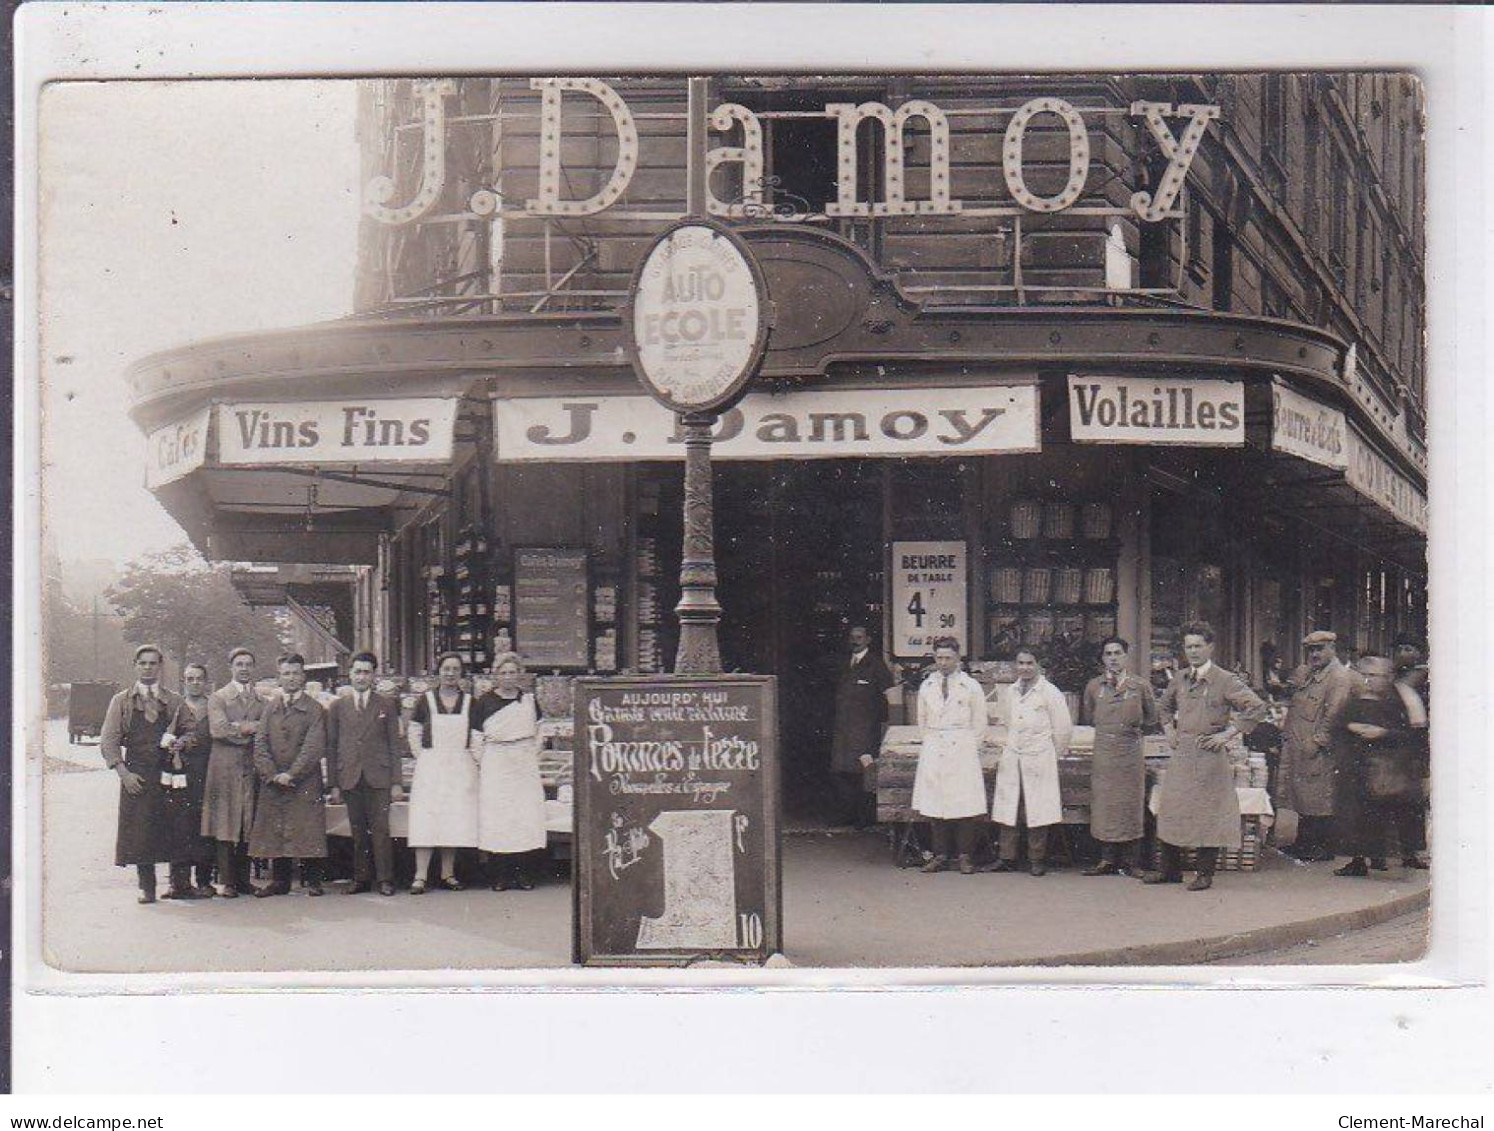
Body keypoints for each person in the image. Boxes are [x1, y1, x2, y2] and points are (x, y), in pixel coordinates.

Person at [1145, 622, 1267, 891]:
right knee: (1172, 808)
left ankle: (1205, 874)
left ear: (1210, 647)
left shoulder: (1224, 679)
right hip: (1183, 754)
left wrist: (1227, 735)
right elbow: (1163, 706)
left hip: (1210, 755)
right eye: (1189, 646)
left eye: (1198, 645)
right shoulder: (1179, 678)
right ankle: (1170, 870)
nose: (1193, 651)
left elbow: (1256, 708)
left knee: (1208, 812)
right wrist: (1168, 730)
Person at [97, 645, 181, 904]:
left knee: (174, 827)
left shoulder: (174, 700)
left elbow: (190, 732)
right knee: (141, 832)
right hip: (138, 777)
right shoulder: (121, 701)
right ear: (135, 665)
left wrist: (182, 742)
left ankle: (179, 885)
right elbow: (108, 742)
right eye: (143, 663)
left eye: (153, 663)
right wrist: (124, 774)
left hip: (168, 774)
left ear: (160, 667)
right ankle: (147, 888)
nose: (148, 668)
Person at [1332, 655, 1428, 877]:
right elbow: (1338, 727)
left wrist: (1383, 733)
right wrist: (1350, 729)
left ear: (1388, 677)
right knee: (1358, 815)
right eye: (1364, 675)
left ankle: (1396, 855)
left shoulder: (1401, 699)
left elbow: (1415, 734)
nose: (1368, 681)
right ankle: (1360, 860)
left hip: (1392, 767)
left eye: (1373, 676)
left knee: (1391, 812)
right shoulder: (1354, 700)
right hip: (1358, 767)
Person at [247, 653, 329, 897]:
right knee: (276, 828)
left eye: (295, 673)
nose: (291, 678)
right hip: (274, 781)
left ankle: (313, 881)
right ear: (279, 677)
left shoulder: (315, 709)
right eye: (286, 673)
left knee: (307, 827)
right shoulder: (270, 707)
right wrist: (271, 774)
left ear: (303, 677)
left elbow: (313, 747)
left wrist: (292, 774)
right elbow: (260, 742)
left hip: (303, 780)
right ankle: (279, 881)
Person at [326, 651, 405, 896]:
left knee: (381, 829)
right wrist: (334, 784)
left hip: (378, 776)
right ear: (349, 674)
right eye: (357, 671)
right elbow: (332, 746)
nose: (361, 677)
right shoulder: (338, 706)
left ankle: (385, 879)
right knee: (357, 831)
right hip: (350, 776)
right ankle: (360, 878)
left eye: (367, 672)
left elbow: (395, 745)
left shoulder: (386, 704)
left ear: (374, 675)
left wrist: (396, 782)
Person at [1279, 630, 1361, 862]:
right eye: (1310, 650)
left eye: (1319, 649)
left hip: (1320, 748)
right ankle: (1304, 842)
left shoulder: (1338, 677)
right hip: (1301, 745)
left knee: (1320, 797)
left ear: (1332, 649)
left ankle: (1322, 847)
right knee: (1304, 796)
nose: (1314, 654)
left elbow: (1334, 714)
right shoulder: (1310, 674)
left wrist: (1318, 741)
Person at [1079, 636, 1158, 876]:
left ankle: (1132, 862)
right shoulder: (1094, 686)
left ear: (1126, 656)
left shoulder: (1140, 686)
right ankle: (1106, 859)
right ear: (1103, 658)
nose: (1113, 658)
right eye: (1108, 654)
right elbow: (1089, 716)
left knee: (1131, 804)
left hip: (1130, 753)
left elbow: (1151, 718)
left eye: (1117, 653)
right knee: (1104, 804)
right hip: (1104, 752)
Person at [911, 637, 988, 876]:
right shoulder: (927, 685)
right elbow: (922, 720)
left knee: (964, 804)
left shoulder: (970, 686)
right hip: (935, 745)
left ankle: (965, 856)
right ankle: (940, 855)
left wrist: (967, 746)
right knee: (936, 803)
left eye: (948, 658)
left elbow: (980, 722)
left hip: (962, 747)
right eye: (939, 658)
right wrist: (933, 742)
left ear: (958, 658)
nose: (943, 663)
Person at [991, 648, 1071, 876]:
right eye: (1021, 663)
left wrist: (1049, 754)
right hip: (1014, 753)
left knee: (1037, 807)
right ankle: (1007, 857)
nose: (1024, 667)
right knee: (1009, 806)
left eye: (1029, 663)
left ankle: (1036, 859)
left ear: (1038, 666)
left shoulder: (1050, 692)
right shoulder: (1011, 691)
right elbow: (1007, 721)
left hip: (1039, 755)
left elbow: (1063, 729)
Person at [471, 652, 547, 891]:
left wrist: (529, 755)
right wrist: (485, 763)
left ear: (519, 674)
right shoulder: (484, 701)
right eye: (503, 672)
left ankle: (524, 874)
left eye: (512, 672)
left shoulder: (529, 700)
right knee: (499, 818)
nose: (508, 677)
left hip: (523, 762)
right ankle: (500, 875)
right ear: (496, 675)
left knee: (524, 817)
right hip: (496, 762)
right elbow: (476, 737)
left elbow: (540, 730)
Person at [406, 651, 480, 893]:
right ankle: (420, 876)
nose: (450, 673)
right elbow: (414, 732)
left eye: (455, 669)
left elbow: (477, 736)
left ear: (461, 674)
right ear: (439, 671)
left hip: (460, 766)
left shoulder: (470, 702)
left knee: (453, 819)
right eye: (446, 669)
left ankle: (448, 873)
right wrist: (424, 757)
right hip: (432, 767)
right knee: (427, 819)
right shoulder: (425, 700)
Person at [203, 647, 267, 898]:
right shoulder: (218, 698)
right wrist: (251, 730)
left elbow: (267, 730)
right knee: (225, 822)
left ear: (253, 668)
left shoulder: (262, 700)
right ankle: (228, 881)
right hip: (224, 768)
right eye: (239, 664)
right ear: (231, 667)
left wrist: (239, 728)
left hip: (251, 767)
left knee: (247, 822)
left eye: (248, 664)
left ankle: (244, 880)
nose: (244, 668)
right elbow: (218, 730)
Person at [828, 625, 897, 828]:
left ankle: (865, 819)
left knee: (864, 773)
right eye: (852, 637)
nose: (855, 641)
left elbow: (891, 695)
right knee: (841, 773)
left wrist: (891, 726)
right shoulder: (845, 664)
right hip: (844, 729)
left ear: (868, 639)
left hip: (865, 730)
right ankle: (846, 816)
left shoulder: (875, 665)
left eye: (859, 637)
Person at [157, 662, 216, 898]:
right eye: (190, 679)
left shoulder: (213, 706)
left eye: (199, 678)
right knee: (179, 826)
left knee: (204, 826)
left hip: (208, 771)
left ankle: (204, 881)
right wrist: (174, 744)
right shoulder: (175, 707)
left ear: (206, 681)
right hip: (181, 775)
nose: (194, 683)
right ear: (184, 681)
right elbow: (164, 736)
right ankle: (178, 883)